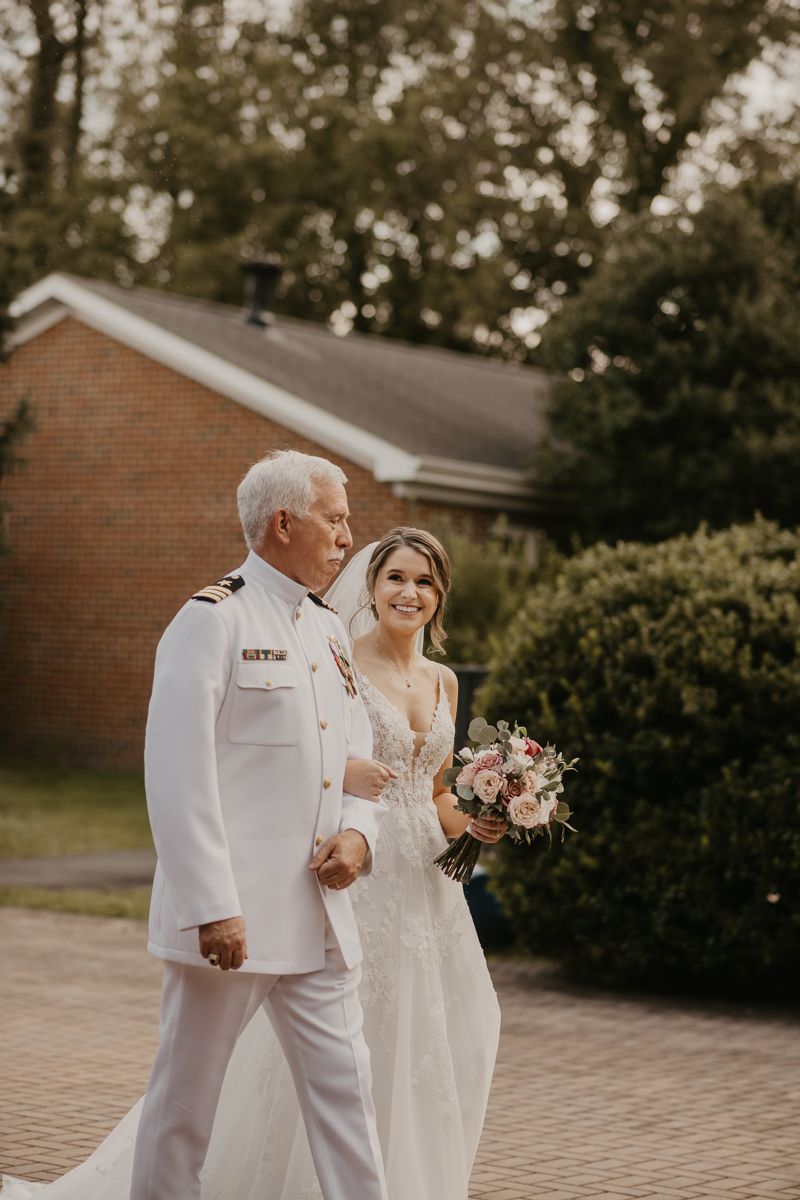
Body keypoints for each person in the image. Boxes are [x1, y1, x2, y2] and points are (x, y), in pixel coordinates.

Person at [1, 524, 504, 1200]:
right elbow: (286, 754)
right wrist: (343, 792)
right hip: (344, 879)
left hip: (423, 880)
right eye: (396, 577)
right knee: (305, 1063)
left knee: (432, 1044)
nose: (410, 592)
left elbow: (434, 790)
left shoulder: (441, 679)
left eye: (425, 581)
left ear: (440, 596)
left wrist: (478, 819)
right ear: (373, 585)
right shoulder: (330, 649)